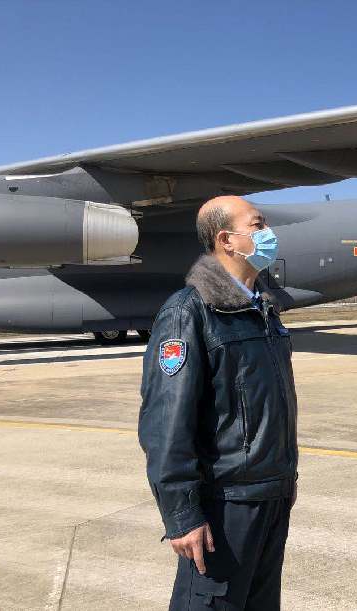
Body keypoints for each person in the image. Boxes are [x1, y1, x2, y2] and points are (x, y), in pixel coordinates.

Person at [138, 195, 298, 610]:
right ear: (226, 240)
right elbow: (166, 422)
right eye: (258, 225)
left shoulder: (262, 309)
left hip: (270, 495)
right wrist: (183, 515)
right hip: (226, 505)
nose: (268, 234)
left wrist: (286, 479)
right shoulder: (189, 313)